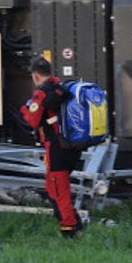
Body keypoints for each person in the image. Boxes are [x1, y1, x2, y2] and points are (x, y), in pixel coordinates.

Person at [19, 56, 82, 237]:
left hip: (56, 148)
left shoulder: (41, 93)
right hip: (72, 146)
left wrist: (25, 108)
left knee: (57, 191)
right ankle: (77, 227)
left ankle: (70, 232)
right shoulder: (61, 87)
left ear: (36, 76)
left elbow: (32, 120)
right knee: (55, 189)